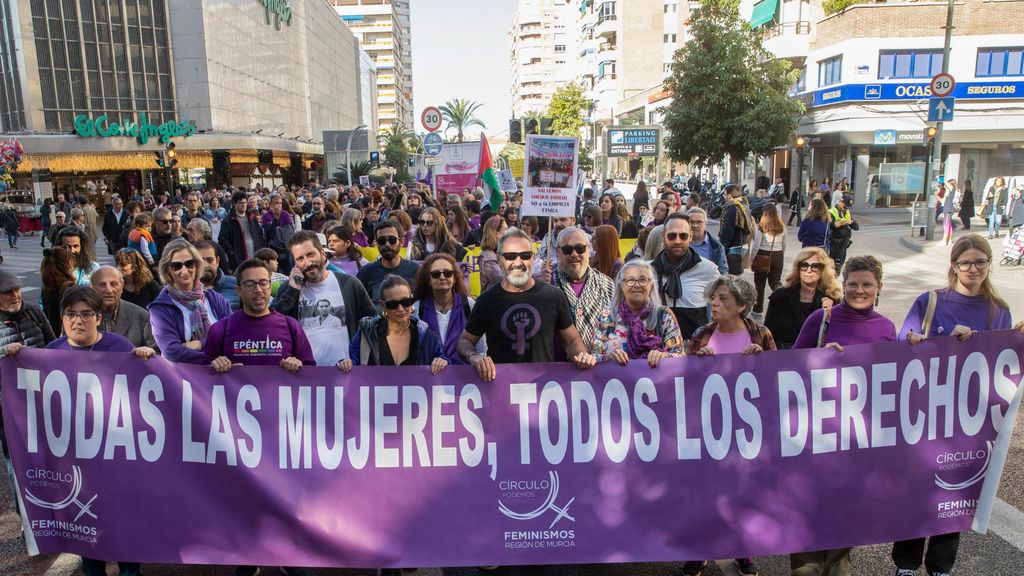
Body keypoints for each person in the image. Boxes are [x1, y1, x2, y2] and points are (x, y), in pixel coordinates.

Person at [889, 234, 1011, 576]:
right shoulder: (930, 301)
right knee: (918, 488)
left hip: (968, 418)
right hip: (925, 413)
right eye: (966, 262)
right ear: (953, 266)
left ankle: (941, 566)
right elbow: (902, 349)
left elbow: (1000, 363)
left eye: (980, 262)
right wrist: (939, 342)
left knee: (956, 492)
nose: (973, 269)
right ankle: (906, 565)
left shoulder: (998, 311)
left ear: (989, 264)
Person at [200, 258, 314, 576]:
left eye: (264, 283)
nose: (259, 290)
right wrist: (217, 367)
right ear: (238, 290)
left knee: (286, 499)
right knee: (243, 500)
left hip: (281, 433)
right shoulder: (222, 330)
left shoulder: (290, 326)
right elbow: (198, 381)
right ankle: (249, 558)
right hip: (239, 437)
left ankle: (288, 556)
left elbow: (313, 375)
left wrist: (298, 367)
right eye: (250, 284)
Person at [789, 255, 895, 575]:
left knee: (844, 519)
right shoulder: (822, 319)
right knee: (808, 514)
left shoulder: (887, 328)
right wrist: (817, 359)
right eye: (853, 284)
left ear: (878, 288)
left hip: (858, 440)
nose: (859, 290)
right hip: (816, 435)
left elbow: (897, 381)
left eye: (867, 285)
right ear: (843, 286)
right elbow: (788, 370)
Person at [39, 285, 155, 576]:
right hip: (78, 464)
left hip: (117, 458)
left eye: (86, 314)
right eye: (70, 314)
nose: (78, 320)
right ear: (62, 318)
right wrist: (16, 357)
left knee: (125, 531)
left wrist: (145, 359)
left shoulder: (120, 348)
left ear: (98, 318)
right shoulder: (50, 353)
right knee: (88, 538)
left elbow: (144, 397)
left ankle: (131, 570)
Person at [456, 227, 597, 381]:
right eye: (510, 256)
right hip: (500, 392)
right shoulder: (486, 300)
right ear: (499, 260)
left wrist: (582, 355)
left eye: (525, 255)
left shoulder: (553, 295)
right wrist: (474, 356)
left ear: (533, 258)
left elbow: (571, 340)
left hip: (543, 390)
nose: (518, 262)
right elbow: (465, 341)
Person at [273, 230, 375, 367]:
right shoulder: (289, 289)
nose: (308, 263)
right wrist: (291, 292)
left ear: (322, 253)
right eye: (300, 259)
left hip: (345, 373)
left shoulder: (349, 284)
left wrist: (356, 358)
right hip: (303, 374)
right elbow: (272, 326)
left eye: (311, 254)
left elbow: (371, 324)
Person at [339, 274, 448, 373]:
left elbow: (445, 366)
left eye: (406, 302)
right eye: (393, 304)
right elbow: (351, 365)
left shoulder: (426, 335)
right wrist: (345, 364)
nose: (400, 309)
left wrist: (443, 362)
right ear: (382, 305)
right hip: (374, 394)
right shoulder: (366, 334)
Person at [149, 239, 232, 364]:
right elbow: (172, 352)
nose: (184, 271)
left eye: (189, 264)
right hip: (182, 379)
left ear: (197, 265)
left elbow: (233, 337)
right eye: (176, 266)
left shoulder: (215, 299)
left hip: (221, 375)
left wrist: (200, 343)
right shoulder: (160, 308)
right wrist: (212, 359)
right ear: (167, 270)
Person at [591, 260, 684, 367]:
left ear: (651, 285)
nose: (637, 285)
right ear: (621, 285)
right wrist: (608, 357)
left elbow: (680, 355)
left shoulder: (663, 315)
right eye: (630, 280)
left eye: (643, 280)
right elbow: (594, 357)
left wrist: (664, 356)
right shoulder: (606, 317)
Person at [651, 213, 721, 339]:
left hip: (695, 349)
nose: (677, 241)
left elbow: (725, 307)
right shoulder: (648, 270)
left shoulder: (708, 269)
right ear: (662, 236)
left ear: (690, 237)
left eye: (683, 236)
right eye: (672, 236)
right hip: (657, 349)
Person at [550, 226, 615, 354]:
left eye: (580, 248)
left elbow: (616, 327)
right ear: (558, 251)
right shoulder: (547, 283)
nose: (574, 254)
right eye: (567, 249)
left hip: (598, 365)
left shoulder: (606, 284)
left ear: (588, 248)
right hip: (557, 367)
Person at [412, 253, 485, 365]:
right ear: (428, 280)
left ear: (455, 278)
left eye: (448, 273)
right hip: (428, 378)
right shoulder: (417, 308)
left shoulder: (469, 305)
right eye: (435, 274)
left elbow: (481, 349)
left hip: (464, 378)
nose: (442, 277)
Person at [763, 248, 840, 350]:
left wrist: (829, 313)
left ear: (823, 270)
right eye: (804, 265)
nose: (808, 270)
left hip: (816, 358)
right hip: (784, 356)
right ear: (798, 268)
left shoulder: (833, 298)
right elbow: (768, 334)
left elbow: (837, 335)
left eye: (815, 266)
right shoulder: (780, 296)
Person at [89, 265, 157, 349]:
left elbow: (156, 353)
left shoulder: (142, 317)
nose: (109, 290)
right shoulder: (80, 316)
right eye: (102, 285)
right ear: (91, 287)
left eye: (113, 284)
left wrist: (148, 351)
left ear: (122, 286)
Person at [357, 220, 421, 306]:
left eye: (392, 240)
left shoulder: (415, 269)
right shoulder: (366, 272)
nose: (387, 244)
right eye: (382, 240)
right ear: (376, 244)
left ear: (401, 242)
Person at [751, 204, 787, 314]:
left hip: (762, 254)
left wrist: (752, 259)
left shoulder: (761, 227)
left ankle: (758, 308)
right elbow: (784, 243)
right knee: (775, 283)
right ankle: (783, 303)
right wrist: (780, 255)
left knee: (760, 284)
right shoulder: (782, 226)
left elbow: (756, 245)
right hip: (778, 255)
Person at [219, 191, 266, 271]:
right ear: (234, 204)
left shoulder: (251, 217)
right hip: (238, 259)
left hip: (255, 255)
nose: (244, 205)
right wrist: (232, 253)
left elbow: (259, 234)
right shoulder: (228, 221)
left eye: (245, 202)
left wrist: (260, 247)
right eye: (240, 203)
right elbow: (223, 240)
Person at [40, 246, 77, 334]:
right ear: (67, 264)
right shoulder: (70, 288)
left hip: (53, 334)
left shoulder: (47, 287)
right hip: (66, 335)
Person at [196, 240, 240, 311]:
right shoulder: (187, 289)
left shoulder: (235, 284)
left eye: (210, 260)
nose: (206, 265)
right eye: (201, 261)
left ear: (217, 261)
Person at [718, 184, 752, 275]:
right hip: (742, 245)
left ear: (729, 196)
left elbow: (727, 232)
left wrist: (721, 249)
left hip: (734, 248)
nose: (724, 197)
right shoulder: (744, 206)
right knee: (736, 277)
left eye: (724, 194)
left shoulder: (732, 208)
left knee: (732, 280)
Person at [687, 207, 728, 274]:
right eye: (691, 222)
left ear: (705, 223)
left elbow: (722, 272)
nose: (695, 225)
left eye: (699, 222)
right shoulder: (679, 243)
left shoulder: (717, 247)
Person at [478, 215, 508, 293]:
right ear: (496, 233)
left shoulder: (500, 252)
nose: (509, 232)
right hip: (492, 302)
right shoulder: (488, 257)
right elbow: (502, 281)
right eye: (506, 229)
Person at [828, 194, 858, 270]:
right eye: (845, 207)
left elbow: (856, 227)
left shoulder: (847, 213)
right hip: (833, 245)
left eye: (848, 208)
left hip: (843, 246)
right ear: (840, 202)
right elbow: (828, 226)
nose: (846, 209)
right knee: (830, 269)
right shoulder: (832, 212)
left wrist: (851, 222)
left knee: (838, 268)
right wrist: (840, 223)